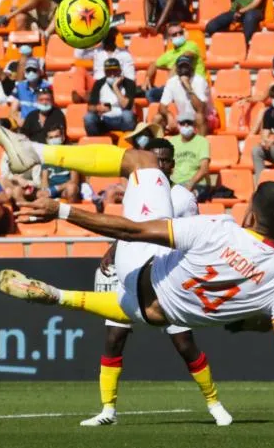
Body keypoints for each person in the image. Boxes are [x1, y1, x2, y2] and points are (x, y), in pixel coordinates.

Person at [0, 120, 274, 446]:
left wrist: (63, 209)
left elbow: (134, 231)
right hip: (155, 312)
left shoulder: (219, 230)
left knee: (144, 164)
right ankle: (58, 295)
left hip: (140, 271)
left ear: (250, 214)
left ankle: (34, 151)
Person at [84, 136, 232, 427]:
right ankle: (107, 410)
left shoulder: (183, 198)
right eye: (155, 158)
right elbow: (129, 226)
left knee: (184, 343)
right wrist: (113, 250)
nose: (159, 164)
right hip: (130, 272)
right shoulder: (137, 189)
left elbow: (193, 238)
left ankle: (214, 402)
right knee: (114, 338)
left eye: (165, 160)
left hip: (166, 278)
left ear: (173, 164)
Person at [156, 54, 216, 135]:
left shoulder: (200, 81)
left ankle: (201, 145)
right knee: (158, 118)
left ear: (192, 68)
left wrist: (188, 87)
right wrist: (168, 115)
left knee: (199, 117)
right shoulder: (172, 82)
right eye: (181, 67)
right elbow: (162, 106)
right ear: (177, 69)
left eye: (186, 66)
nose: (184, 70)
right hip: (184, 118)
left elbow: (200, 109)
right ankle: (158, 146)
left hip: (206, 119)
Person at [85, 57, 138, 135]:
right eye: (109, 71)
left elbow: (126, 105)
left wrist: (115, 87)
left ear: (120, 71)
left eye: (115, 71)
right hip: (104, 119)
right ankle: (95, 141)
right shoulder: (99, 83)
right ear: (105, 72)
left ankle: (127, 139)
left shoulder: (129, 83)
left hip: (122, 119)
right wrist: (98, 108)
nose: (112, 74)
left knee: (128, 115)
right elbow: (90, 107)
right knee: (89, 117)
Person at [167, 110, 211, 199]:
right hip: (176, 185)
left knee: (187, 197)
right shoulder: (172, 142)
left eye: (189, 123)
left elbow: (204, 168)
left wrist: (190, 184)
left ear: (194, 125)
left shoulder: (202, 141)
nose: (186, 125)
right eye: (183, 123)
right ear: (178, 125)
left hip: (197, 184)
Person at [38, 130, 80, 203]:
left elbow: (74, 181)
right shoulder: (47, 157)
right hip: (51, 190)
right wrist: (45, 192)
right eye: (51, 137)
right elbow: (44, 179)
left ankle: (71, 213)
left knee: (72, 188)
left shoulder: (71, 156)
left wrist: (56, 189)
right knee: (39, 194)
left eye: (56, 136)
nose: (54, 140)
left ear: (63, 138)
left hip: (65, 189)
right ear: (47, 140)